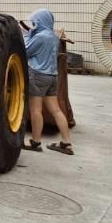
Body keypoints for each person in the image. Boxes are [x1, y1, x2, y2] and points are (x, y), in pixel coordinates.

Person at [22, 9, 74, 155]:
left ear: (40, 21)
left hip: (38, 76)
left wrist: (26, 36)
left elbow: (25, 52)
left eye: (35, 20)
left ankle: (36, 142)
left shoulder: (40, 37)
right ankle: (66, 143)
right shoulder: (53, 36)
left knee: (36, 110)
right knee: (56, 110)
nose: (33, 23)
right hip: (52, 77)